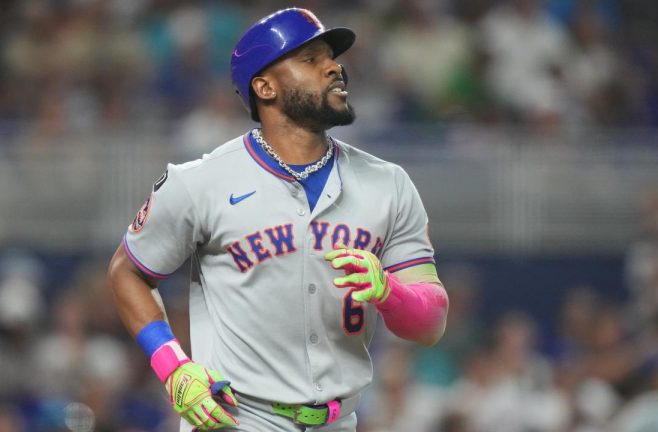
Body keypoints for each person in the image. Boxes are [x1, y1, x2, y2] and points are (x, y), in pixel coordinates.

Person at [106, 8, 449, 432]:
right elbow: (128, 270)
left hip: (339, 422)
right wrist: (173, 365)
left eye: (332, 57)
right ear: (264, 87)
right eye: (310, 59)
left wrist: (390, 292)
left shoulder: (389, 185)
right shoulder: (200, 182)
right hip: (235, 419)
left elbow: (431, 324)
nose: (334, 67)